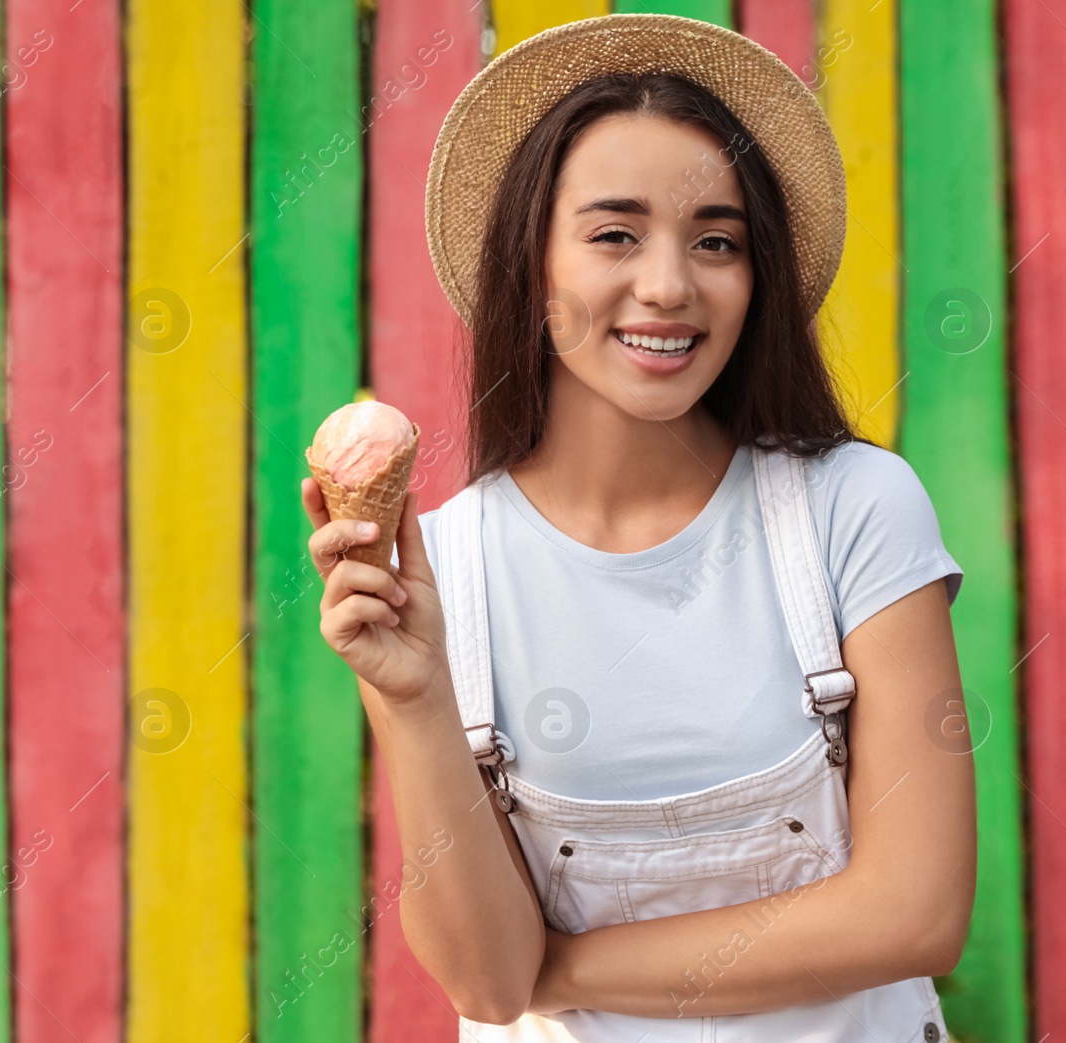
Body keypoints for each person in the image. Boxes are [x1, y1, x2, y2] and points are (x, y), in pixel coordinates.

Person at [300, 13, 976, 1041]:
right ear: (530, 266)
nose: (667, 284)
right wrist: (416, 696)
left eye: (716, 240)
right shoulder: (446, 570)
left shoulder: (853, 508)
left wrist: (561, 966)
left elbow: (915, 911)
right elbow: (485, 981)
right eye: (614, 233)